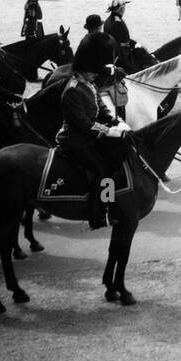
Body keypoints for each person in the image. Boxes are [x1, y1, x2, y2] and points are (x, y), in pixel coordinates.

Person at [54, 41, 129, 230]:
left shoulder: (89, 84)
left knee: (114, 163)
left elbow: (101, 108)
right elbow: (83, 124)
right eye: (92, 71)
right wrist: (108, 131)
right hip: (75, 140)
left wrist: (114, 121)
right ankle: (97, 214)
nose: (95, 74)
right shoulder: (72, 91)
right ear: (81, 71)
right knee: (102, 169)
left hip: (89, 136)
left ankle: (110, 205)